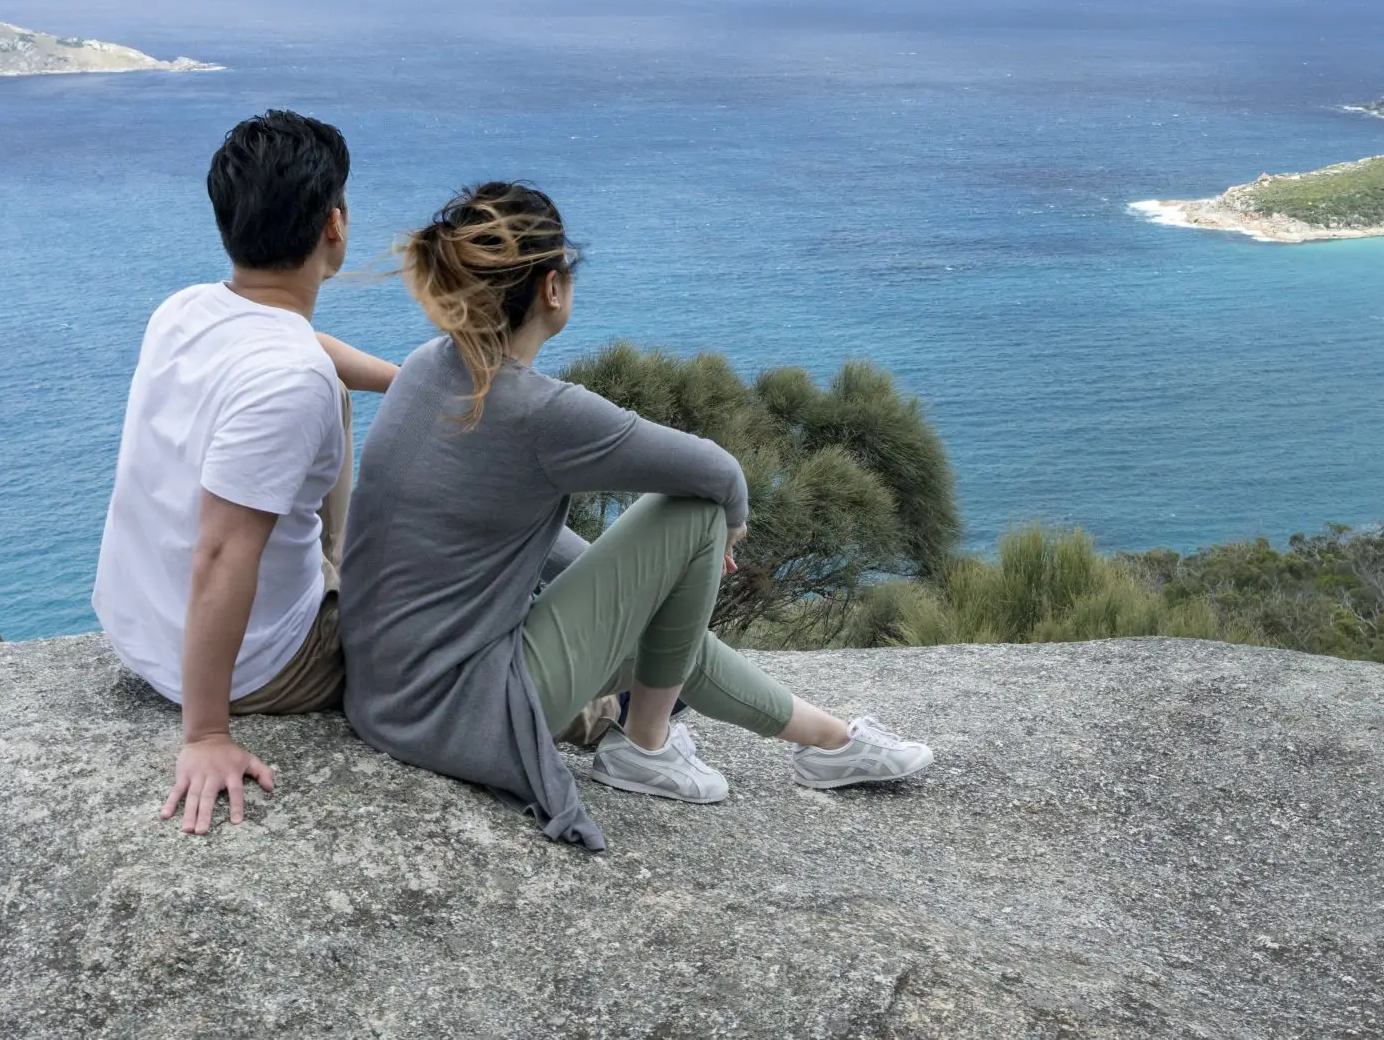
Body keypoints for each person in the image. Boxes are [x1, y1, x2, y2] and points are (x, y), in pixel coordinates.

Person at [339, 181, 932, 850]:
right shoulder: (539, 410)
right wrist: (720, 534)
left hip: (385, 696)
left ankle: (831, 741)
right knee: (695, 513)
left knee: (660, 614)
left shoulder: (426, 368)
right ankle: (646, 746)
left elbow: (513, 544)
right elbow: (719, 474)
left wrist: (646, 589)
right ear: (552, 288)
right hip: (462, 713)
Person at [91, 109, 400, 836]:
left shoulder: (186, 308)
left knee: (334, 388)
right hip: (262, 666)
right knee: (440, 612)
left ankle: (333, 566)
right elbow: (223, 553)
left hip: (139, 626)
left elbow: (300, 341)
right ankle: (605, 711)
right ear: (335, 225)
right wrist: (205, 734)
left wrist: (406, 378)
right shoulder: (292, 381)